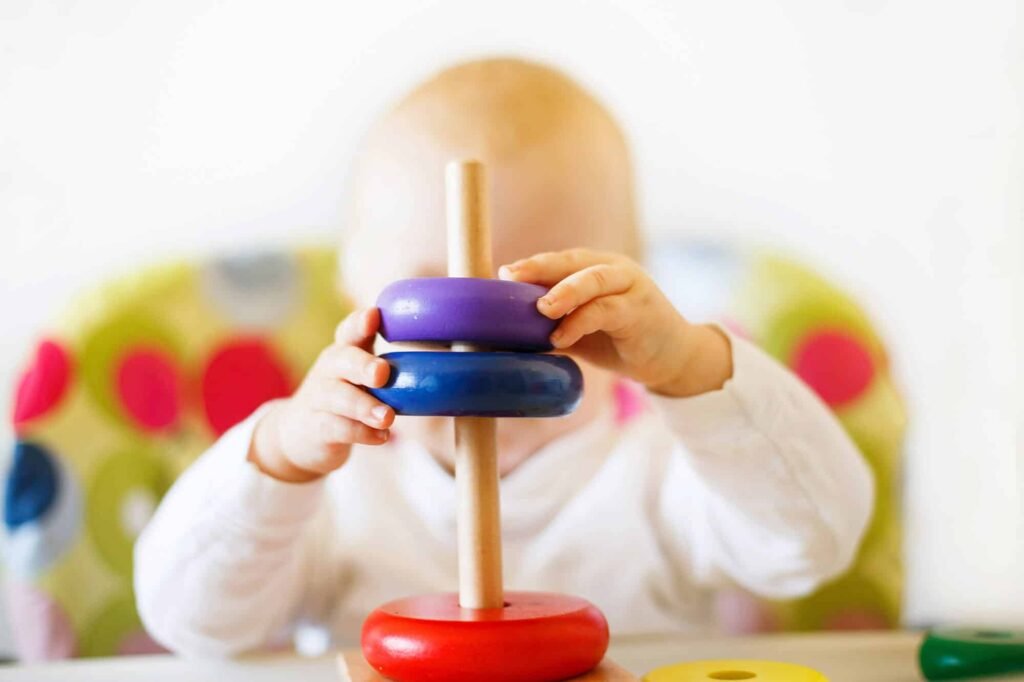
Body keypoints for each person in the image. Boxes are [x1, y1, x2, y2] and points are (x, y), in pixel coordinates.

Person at [134, 57, 873, 655]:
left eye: (533, 301)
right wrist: (279, 455)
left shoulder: (658, 479)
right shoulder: (339, 498)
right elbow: (193, 623)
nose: (476, 348)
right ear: (351, 292)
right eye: (435, 302)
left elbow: (815, 542)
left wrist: (690, 366)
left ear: (629, 295)